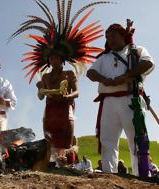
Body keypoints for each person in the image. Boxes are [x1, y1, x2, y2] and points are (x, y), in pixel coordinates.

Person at [9, 0, 107, 164]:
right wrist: (40, 88)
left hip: (65, 110)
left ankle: (61, 161)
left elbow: (77, 92)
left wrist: (68, 94)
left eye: (56, 57)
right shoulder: (45, 77)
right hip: (50, 111)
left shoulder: (69, 73)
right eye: (51, 57)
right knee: (50, 138)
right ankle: (52, 163)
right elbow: (41, 97)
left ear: (62, 59)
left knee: (63, 139)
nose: (53, 59)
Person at [86, 20, 154, 176]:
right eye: (107, 36)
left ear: (123, 35)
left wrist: (125, 77)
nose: (110, 39)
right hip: (108, 101)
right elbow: (91, 73)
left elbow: (147, 63)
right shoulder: (104, 57)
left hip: (131, 99)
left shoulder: (136, 50)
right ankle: (109, 175)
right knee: (107, 140)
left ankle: (141, 175)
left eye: (113, 35)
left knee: (135, 139)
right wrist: (105, 80)